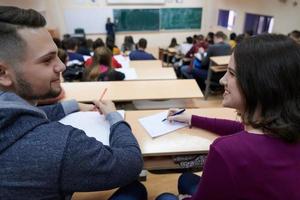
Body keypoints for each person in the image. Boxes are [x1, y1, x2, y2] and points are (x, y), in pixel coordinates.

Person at [0, 6, 146, 199]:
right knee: (136, 190)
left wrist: (75, 105)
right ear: (3, 73)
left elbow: (23, 118)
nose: (61, 66)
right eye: (46, 60)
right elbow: (131, 163)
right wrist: (114, 116)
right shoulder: (61, 145)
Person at [156, 34, 300, 200]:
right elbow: (239, 128)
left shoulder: (226, 151)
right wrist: (192, 119)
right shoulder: (283, 128)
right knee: (186, 178)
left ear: (260, 83)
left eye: (231, 73)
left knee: (165, 197)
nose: (223, 80)